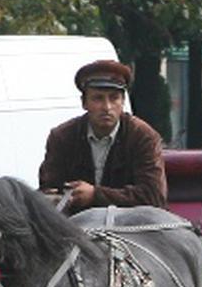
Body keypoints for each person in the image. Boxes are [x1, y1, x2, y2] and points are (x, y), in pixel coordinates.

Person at [38, 59, 167, 213]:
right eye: (98, 98)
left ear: (123, 101)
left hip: (132, 228)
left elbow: (154, 197)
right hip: (75, 228)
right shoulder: (62, 137)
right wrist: (57, 198)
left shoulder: (143, 136)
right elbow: (48, 191)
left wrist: (95, 195)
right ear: (84, 103)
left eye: (114, 98)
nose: (107, 107)